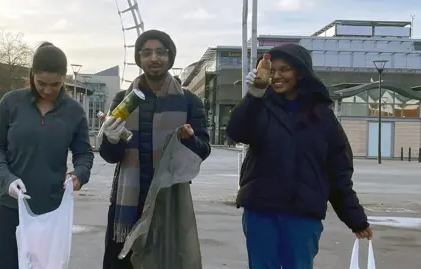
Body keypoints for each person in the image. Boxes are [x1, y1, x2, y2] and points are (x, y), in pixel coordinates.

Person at [226, 43, 372, 269]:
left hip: (303, 215)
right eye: (272, 70)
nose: (277, 76)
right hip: (261, 212)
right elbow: (236, 132)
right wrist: (254, 94)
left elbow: (339, 173)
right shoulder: (260, 107)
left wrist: (356, 219)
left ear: (300, 72)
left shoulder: (323, 118)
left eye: (285, 69)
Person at [99, 29, 211, 269]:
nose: (154, 58)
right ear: (139, 58)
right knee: (123, 262)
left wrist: (190, 140)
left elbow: (203, 150)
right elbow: (110, 156)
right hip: (128, 200)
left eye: (161, 52)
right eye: (147, 52)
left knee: (167, 262)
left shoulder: (189, 101)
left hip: (169, 200)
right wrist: (111, 138)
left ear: (170, 57)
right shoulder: (123, 99)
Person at [0, 42, 94, 269]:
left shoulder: (73, 111)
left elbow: (84, 154)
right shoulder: (11, 102)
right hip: (10, 206)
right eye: (41, 83)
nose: (47, 90)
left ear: (64, 78)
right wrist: (7, 179)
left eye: (55, 84)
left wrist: (79, 176)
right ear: (32, 75)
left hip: (51, 210)